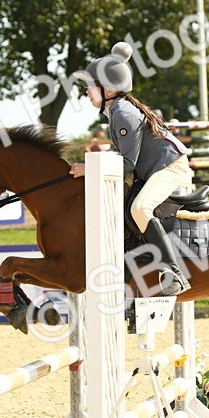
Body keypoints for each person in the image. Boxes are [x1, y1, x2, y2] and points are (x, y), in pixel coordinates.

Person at [72, 41, 193, 296]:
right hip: (153, 167)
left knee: (140, 208)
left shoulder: (123, 114)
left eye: (89, 87)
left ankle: (174, 273)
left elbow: (127, 164)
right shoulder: (115, 111)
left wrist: (90, 169)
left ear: (107, 88)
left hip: (169, 167)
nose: (86, 92)